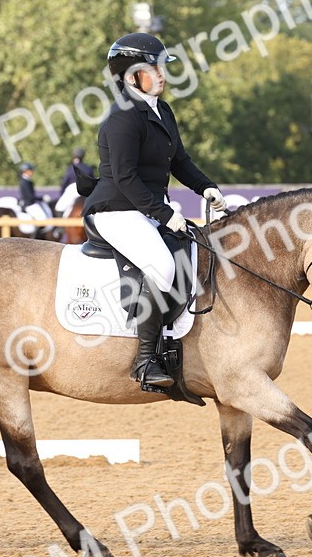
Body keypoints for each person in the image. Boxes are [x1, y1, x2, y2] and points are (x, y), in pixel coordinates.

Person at [83, 32, 227, 387]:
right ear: (131, 76)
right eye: (154, 68)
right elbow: (125, 177)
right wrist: (165, 214)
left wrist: (206, 187)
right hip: (115, 210)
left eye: (163, 67)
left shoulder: (161, 110)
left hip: (144, 208)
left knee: (193, 252)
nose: (162, 74)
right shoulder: (122, 119)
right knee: (163, 265)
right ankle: (145, 361)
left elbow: (180, 161)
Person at [54, 147, 92, 218]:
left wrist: (62, 193)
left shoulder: (70, 168)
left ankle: (62, 227)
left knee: (59, 207)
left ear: (73, 156)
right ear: (83, 156)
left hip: (72, 189)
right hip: (85, 191)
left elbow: (64, 182)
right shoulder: (88, 168)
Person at [16, 162, 51, 237]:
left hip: (30, 202)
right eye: (30, 170)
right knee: (43, 219)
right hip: (29, 204)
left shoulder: (26, 181)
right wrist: (41, 198)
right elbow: (30, 196)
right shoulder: (24, 182)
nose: (32, 171)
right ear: (25, 171)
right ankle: (35, 238)